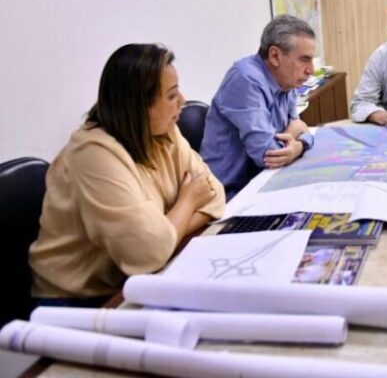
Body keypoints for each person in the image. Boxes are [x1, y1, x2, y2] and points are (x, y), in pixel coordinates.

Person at [29, 44, 225, 304]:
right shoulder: (93, 153)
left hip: (137, 275)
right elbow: (149, 252)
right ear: (139, 106)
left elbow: (214, 193)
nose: (183, 100)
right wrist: (188, 201)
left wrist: (167, 230)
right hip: (79, 300)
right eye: (171, 95)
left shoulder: (162, 131)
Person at [201, 15, 316, 196]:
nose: (311, 70)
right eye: (304, 59)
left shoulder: (287, 80)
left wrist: (300, 144)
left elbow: (302, 131)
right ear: (275, 56)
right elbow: (269, 155)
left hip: (263, 182)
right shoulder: (246, 79)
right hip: (229, 195)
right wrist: (296, 135)